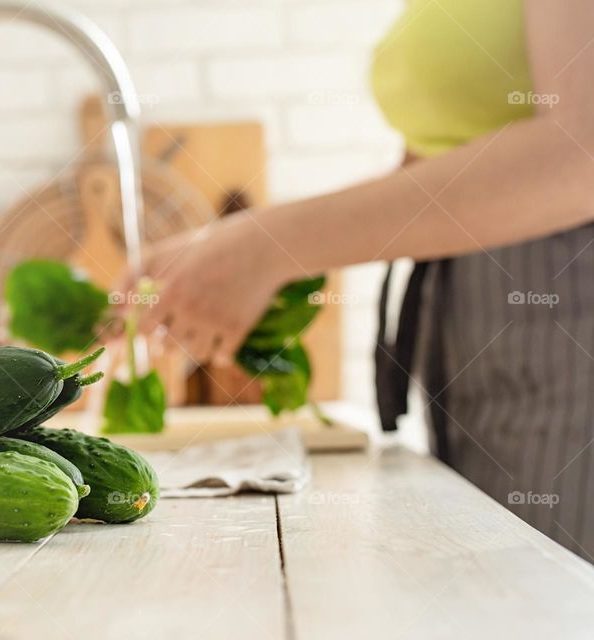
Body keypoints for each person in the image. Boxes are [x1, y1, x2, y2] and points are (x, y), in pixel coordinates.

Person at [120, 0, 594, 560]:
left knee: (545, 590)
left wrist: (265, 247)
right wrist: (238, 249)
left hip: (565, 300)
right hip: (475, 305)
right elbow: (448, 160)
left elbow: (580, 153)